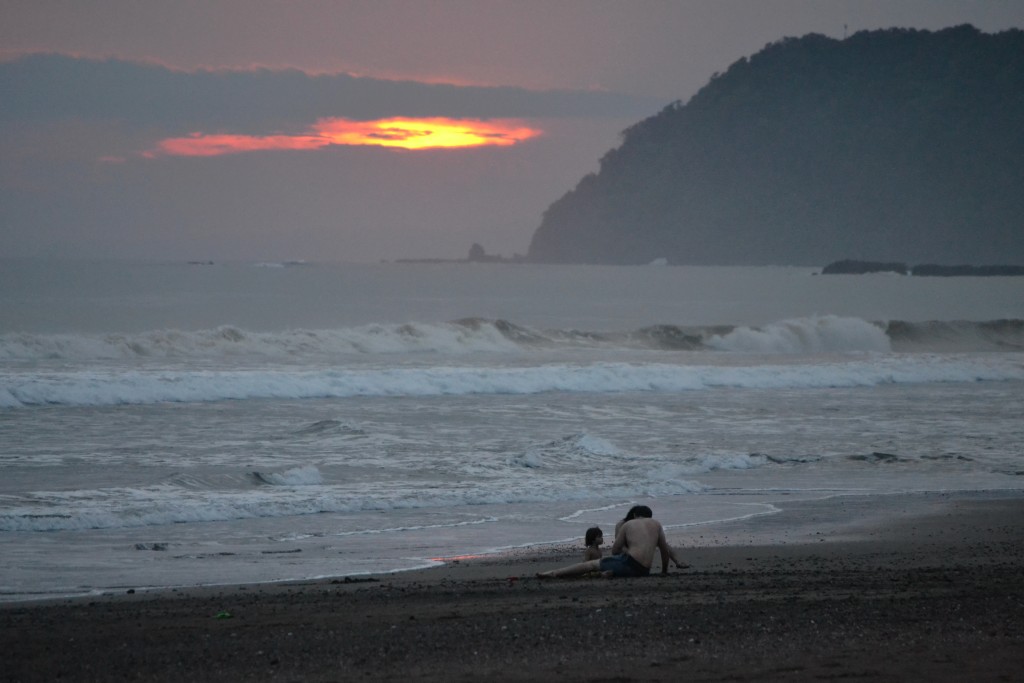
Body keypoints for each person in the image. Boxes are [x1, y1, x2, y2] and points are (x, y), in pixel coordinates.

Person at [537, 505, 671, 579]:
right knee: (616, 568)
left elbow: (615, 550)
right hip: (644, 571)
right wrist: (664, 571)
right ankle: (611, 572)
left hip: (631, 564)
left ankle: (555, 573)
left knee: (591, 564)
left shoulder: (628, 524)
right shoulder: (657, 524)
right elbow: (665, 551)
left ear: (635, 515)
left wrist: (625, 553)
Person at [616, 505, 690, 569]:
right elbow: (619, 546)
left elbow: (663, 546)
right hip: (627, 549)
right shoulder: (622, 524)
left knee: (663, 543)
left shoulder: (646, 525)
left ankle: (678, 561)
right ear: (634, 516)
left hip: (641, 544)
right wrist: (629, 553)